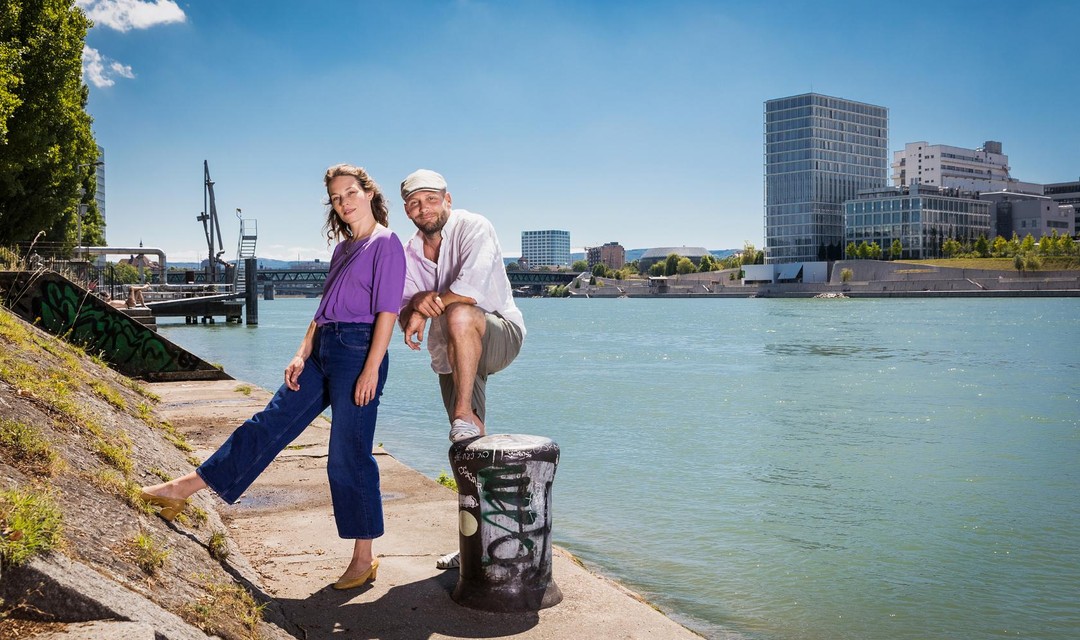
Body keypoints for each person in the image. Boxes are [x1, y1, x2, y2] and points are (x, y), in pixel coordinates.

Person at [140, 164, 406, 590]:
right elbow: (321, 313)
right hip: (322, 349)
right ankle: (182, 488)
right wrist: (301, 353)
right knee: (268, 423)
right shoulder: (341, 250)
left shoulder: (386, 243)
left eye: (351, 192)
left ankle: (363, 557)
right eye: (337, 198)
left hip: (359, 352)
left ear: (369, 193)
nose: (344, 202)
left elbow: (388, 311)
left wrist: (371, 367)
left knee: (348, 454)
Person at [397, 169, 525, 569]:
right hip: (451, 353)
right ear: (407, 210)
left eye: (431, 199)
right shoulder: (408, 252)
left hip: (499, 331)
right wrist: (413, 305)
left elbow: (469, 292)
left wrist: (424, 303)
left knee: (459, 312)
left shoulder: (474, 227)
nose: (424, 208)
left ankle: (463, 411)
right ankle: (480, 544)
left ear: (447, 200)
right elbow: (403, 314)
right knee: (467, 449)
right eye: (415, 203)